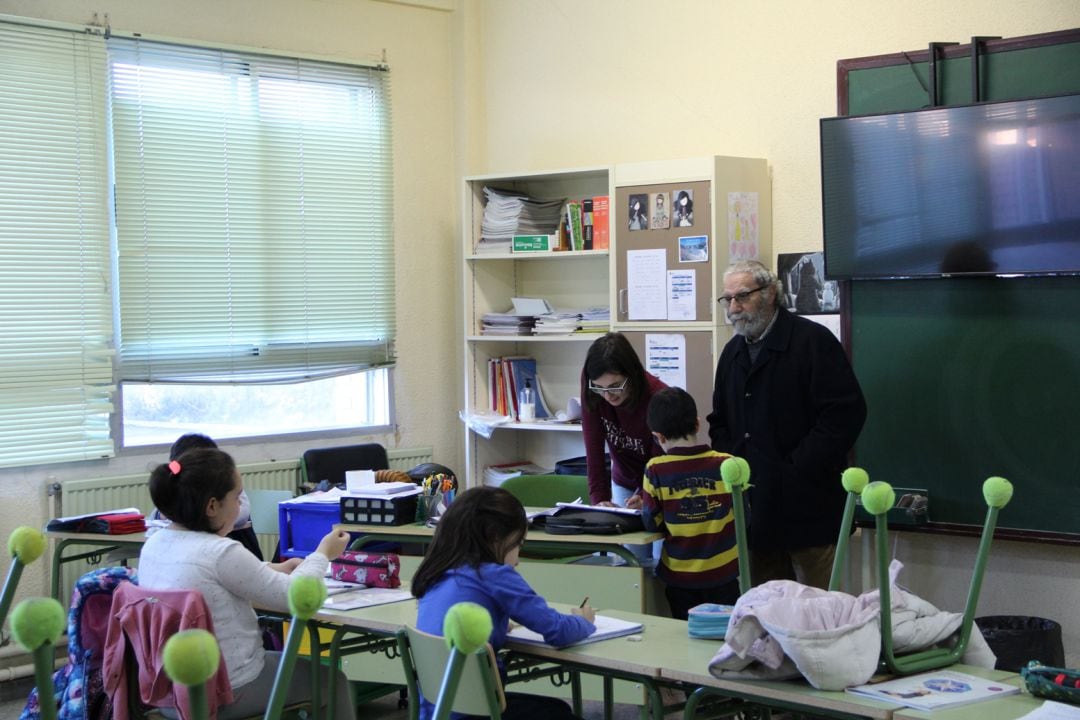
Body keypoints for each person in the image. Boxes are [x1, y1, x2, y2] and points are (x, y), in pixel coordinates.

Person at [138, 448, 356, 720]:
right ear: (212, 506)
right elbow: (295, 597)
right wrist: (322, 554)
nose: (242, 504)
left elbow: (208, 575)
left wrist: (270, 568)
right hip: (228, 688)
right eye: (237, 496)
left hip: (168, 690)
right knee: (332, 681)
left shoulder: (154, 544)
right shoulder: (222, 552)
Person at [707, 260, 866, 590]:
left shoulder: (813, 341)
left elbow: (844, 415)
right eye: (727, 299)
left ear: (769, 294)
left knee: (820, 617)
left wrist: (793, 469)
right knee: (767, 617)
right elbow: (719, 421)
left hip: (811, 509)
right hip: (756, 514)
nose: (733, 308)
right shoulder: (732, 353)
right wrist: (733, 461)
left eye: (742, 297)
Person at [411, 486, 595, 720]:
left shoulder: (437, 572)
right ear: (496, 538)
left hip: (438, 711)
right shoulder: (494, 575)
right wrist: (584, 621)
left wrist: (494, 624)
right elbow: (557, 630)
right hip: (479, 714)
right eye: (519, 543)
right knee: (558, 712)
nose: (518, 559)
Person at [642, 387, 740, 620]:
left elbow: (651, 522)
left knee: (685, 635)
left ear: (659, 437)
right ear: (697, 424)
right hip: (723, 574)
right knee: (726, 635)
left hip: (680, 577)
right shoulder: (727, 464)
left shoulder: (656, 469)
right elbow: (744, 516)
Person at [580, 332, 667, 509]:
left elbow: (660, 458)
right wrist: (599, 498)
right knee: (619, 529)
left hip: (658, 479)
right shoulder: (592, 386)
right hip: (623, 478)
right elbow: (593, 444)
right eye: (599, 388)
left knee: (655, 534)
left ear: (632, 374)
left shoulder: (657, 397)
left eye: (615, 386)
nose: (607, 396)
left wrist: (645, 495)